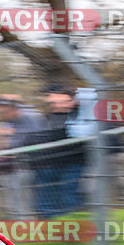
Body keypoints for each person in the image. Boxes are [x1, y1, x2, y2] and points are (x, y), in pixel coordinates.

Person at [31, 84, 88, 217]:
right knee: (47, 200)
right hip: (48, 165)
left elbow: (78, 139)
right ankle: (52, 230)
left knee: (68, 197)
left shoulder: (78, 116)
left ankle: (71, 226)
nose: (52, 101)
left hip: (71, 163)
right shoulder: (49, 117)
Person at [0, 95, 48, 218]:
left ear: (11, 107)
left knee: (25, 207)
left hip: (24, 168)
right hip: (7, 170)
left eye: (1, 108)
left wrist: (8, 142)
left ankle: (29, 234)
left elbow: (34, 140)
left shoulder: (31, 118)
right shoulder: (5, 123)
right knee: (13, 207)